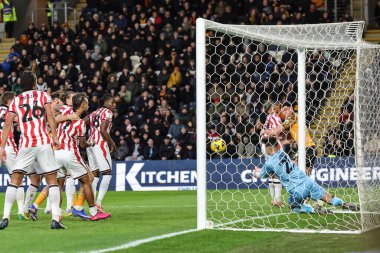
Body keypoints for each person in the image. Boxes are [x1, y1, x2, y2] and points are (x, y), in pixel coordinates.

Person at [0, 71, 64, 229]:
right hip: (43, 142)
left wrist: (2, 147)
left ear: (21, 84)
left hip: (26, 143)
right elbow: (50, 115)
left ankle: (5, 217)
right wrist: (55, 137)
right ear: (35, 83)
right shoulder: (43, 96)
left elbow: (8, 124)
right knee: (52, 180)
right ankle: (55, 219)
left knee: (15, 179)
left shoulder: (15, 101)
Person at [253, 137, 359, 214]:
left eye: (264, 147)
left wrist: (255, 173)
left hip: (297, 190)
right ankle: (345, 204)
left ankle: (312, 210)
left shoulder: (269, 163)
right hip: (307, 181)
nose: (263, 150)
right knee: (328, 198)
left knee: (293, 207)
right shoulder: (283, 153)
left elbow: (262, 176)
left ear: (270, 148)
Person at [86, 94, 116, 212]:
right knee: (107, 174)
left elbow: (82, 122)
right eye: (112, 102)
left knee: (95, 175)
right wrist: (112, 143)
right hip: (100, 144)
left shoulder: (94, 113)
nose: (114, 105)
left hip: (90, 144)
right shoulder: (108, 112)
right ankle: (98, 203)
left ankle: (92, 205)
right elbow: (103, 130)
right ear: (106, 102)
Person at [0, 91, 26, 220]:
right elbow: (18, 120)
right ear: (9, 101)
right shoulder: (9, 111)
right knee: (18, 178)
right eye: (15, 100)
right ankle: (21, 211)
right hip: (7, 147)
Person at [281, 103, 317, 176]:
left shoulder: (293, 117)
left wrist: (268, 132)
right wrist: (283, 141)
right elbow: (294, 138)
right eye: (283, 111)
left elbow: (280, 129)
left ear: (291, 108)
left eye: (286, 110)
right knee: (306, 176)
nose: (284, 112)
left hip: (307, 148)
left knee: (295, 170)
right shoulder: (296, 119)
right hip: (309, 148)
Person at [261, 102, 283, 207]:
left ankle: (273, 200)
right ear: (271, 108)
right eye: (275, 106)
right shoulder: (274, 116)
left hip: (264, 145)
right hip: (272, 144)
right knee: (278, 171)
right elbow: (277, 130)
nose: (277, 108)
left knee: (271, 172)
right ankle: (277, 200)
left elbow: (266, 131)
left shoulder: (267, 119)